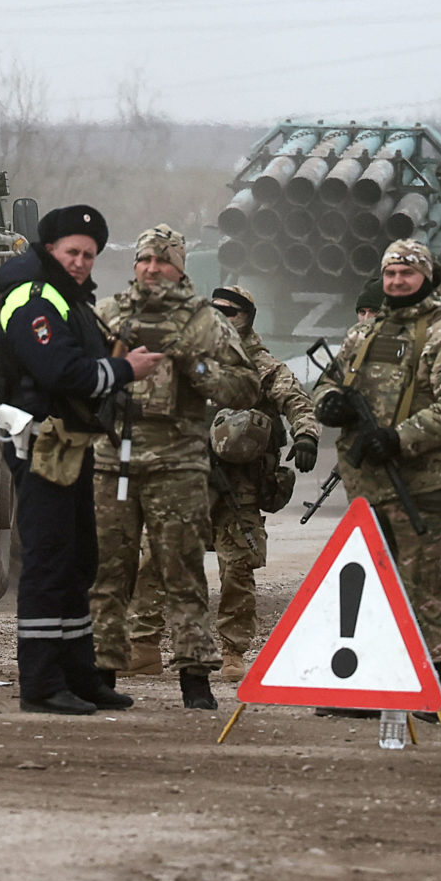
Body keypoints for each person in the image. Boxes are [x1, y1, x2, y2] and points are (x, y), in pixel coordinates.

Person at [0, 205, 163, 715]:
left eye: (89, 255)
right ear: (50, 250)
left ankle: (79, 675)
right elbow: (61, 371)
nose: (81, 261)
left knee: (78, 560)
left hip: (70, 444)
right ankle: (42, 685)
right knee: (48, 563)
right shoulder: (33, 298)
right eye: (72, 252)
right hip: (42, 443)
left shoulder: (67, 300)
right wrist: (124, 369)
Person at [311, 239, 441, 723]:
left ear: (426, 277)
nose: (396, 282)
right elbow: (328, 381)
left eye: (407, 274)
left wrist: (399, 438)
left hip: (421, 487)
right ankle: (366, 685)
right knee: (366, 587)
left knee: (434, 585)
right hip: (367, 487)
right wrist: (331, 403)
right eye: (390, 274)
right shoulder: (366, 333)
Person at [89, 225, 262, 710]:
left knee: (182, 570)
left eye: (162, 261)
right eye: (144, 259)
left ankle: (194, 676)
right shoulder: (109, 314)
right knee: (109, 570)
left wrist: (197, 368)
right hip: (115, 458)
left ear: (181, 266)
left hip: (178, 463)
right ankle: (101, 672)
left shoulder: (204, 322)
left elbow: (247, 389)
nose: (152, 268)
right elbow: (74, 374)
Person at [198, 285, 320, 676]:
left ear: (247, 317)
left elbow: (296, 401)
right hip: (188, 476)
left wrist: (306, 436)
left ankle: (233, 651)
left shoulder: (264, 366)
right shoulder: (193, 355)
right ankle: (146, 645)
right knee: (161, 559)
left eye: (230, 312)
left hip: (239, 483)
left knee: (236, 566)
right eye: (214, 310)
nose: (221, 317)